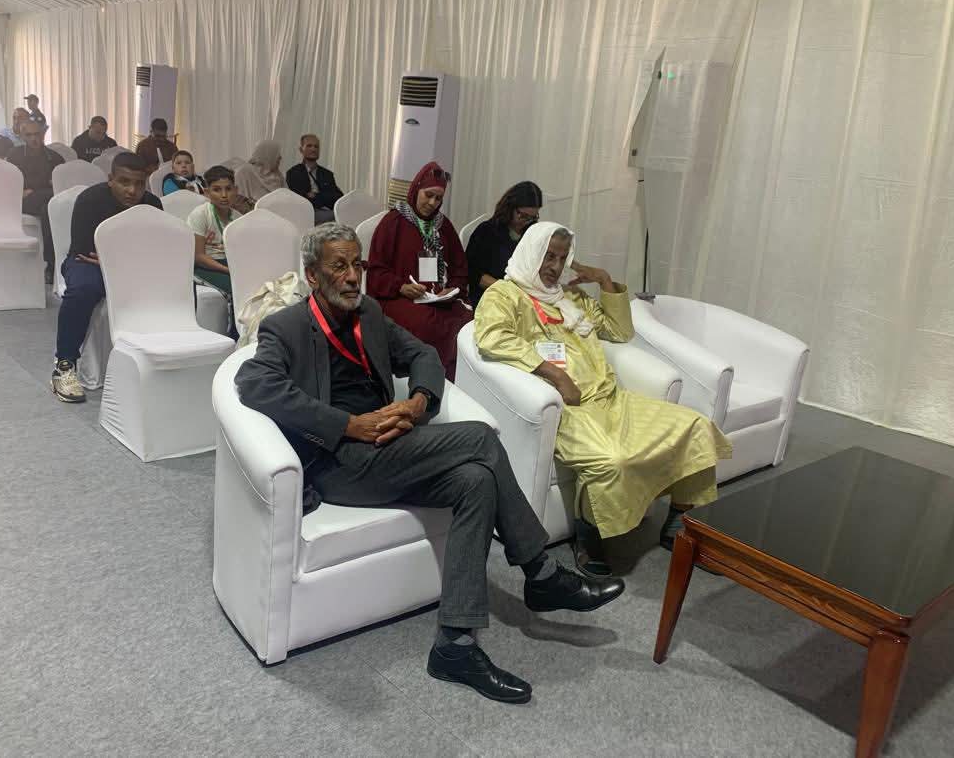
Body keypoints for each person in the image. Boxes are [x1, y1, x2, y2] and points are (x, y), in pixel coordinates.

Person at [235, 222, 625, 703]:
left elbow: (421, 353)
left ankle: (454, 646)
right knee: (481, 438)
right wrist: (347, 424)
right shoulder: (287, 326)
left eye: (357, 264)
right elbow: (254, 384)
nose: (353, 276)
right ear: (313, 276)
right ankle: (540, 573)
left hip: (389, 448)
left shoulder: (368, 312)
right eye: (339, 267)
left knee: (476, 480)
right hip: (338, 461)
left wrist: (418, 401)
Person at [473, 222, 732, 577]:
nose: (555, 266)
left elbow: (619, 332)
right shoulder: (505, 294)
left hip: (611, 398)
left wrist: (605, 282)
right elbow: (492, 338)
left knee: (695, 425)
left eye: (562, 258)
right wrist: (556, 375)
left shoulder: (572, 297)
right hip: (568, 408)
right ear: (531, 252)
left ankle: (679, 522)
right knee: (611, 460)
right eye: (548, 256)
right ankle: (589, 539)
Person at [51, 153, 161, 403]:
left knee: (176, 286)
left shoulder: (152, 204)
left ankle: (164, 360)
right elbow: (86, 250)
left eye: (139, 184)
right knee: (83, 289)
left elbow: (154, 246)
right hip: (86, 262)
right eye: (124, 182)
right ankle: (65, 365)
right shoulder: (90, 200)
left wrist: (122, 258)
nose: (132, 190)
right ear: (111, 179)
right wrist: (127, 257)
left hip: (130, 265)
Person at [366, 161, 471, 380]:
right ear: (416, 190)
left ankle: (458, 382)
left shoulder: (443, 226)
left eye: (438, 198)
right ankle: (429, 381)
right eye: (428, 195)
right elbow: (376, 271)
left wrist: (452, 289)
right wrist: (401, 287)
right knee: (427, 324)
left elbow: (460, 268)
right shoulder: (393, 222)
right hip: (399, 298)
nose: (432, 203)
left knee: (468, 321)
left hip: (438, 299)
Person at [466, 181, 620, 308]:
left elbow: (551, 251)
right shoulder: (486, 232)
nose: (525, 221)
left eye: (532, 217)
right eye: (522, 215)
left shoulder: (531, 230)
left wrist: (579, 267)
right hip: (494, 295)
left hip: (525, 294)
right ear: (510, 207)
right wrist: (511, 291)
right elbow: (474, 275)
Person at [7, 120, 64, 284]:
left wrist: (34, 189)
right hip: (22, 201)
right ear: (22, 136)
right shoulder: (14, 155)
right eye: (29, 135)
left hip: (46, 201)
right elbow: (7, 181)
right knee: (50, 200)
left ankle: (51, 265)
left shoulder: (54, 158)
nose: (34, 139)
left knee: (48, 210)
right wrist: (22, 191)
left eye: (37, 134)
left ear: (43, 134)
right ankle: (52, 265)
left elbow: (60, 183)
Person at [185, 165, 237, 293]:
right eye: (217, 190)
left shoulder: (238, 218)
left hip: (231, 263)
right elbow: (199, 256)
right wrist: (229, 270)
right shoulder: (200, 214)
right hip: (205, 266)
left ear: (236, 190)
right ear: (207, 192)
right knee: (236, 286)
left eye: (228, 189)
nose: (224, 195)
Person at [285, 133, 342, 225]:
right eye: (309, 146)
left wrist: (315, 195)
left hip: (328, 211)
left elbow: (337, 197)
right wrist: (324, 197)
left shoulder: (327, 174)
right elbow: (301, 199)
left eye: (316, 146)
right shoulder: (293, 173)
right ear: (301, 150)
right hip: (306, 213)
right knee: (338, 217)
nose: (313, 149)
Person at [232, 140, 284, 205]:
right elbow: (236, 202)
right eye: (276, 154)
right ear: (267, 155)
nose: (280, 157)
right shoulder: (244, 173)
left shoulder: (278, 175)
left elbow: (288, 200)